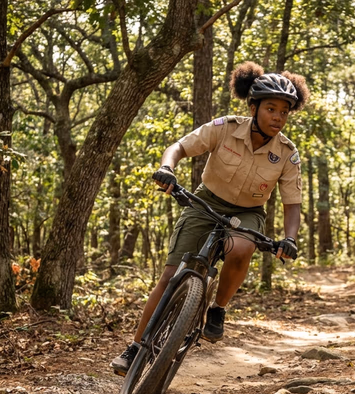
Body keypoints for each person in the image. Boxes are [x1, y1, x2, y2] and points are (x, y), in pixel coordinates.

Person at [110, 62, 309, 374]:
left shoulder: (287, 153)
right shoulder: (226, 127)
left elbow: (292, 202)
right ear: (253, 106)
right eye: (271, 109)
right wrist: (167, 169)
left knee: (242, 248)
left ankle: (217, 309)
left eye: (285, 112)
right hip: (206, 201)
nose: (278, 118)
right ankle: (135, 347)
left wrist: (291, 238)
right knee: (170, 275)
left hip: (248, 212)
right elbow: (179, 147)